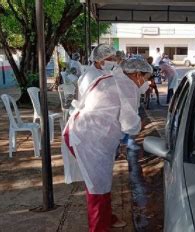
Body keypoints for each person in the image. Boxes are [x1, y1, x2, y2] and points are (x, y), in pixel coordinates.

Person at [63, 58, 151, 231]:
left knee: (102, 182)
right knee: (97, 189)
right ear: (137, 74)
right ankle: (99, 227)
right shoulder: (128, 87)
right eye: (145, 78)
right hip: (88, 140)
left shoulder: (112, 77)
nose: (146, 82)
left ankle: (107, 217)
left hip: (82, 132)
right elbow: (130, 125)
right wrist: (140, 125)